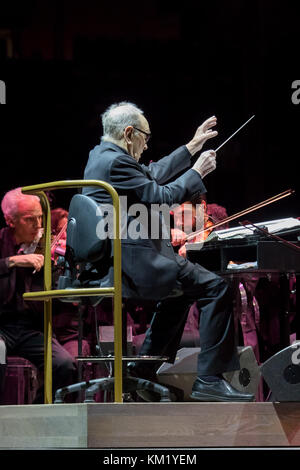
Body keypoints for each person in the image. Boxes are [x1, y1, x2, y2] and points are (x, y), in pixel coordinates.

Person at [82, 101, 254, 402]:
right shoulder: (116, 162)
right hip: (134, 262)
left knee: (182, 292)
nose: (147, 146)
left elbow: (151, 173)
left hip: (118, 260)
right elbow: (159, 195)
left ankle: (140, 377)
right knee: (217, 287)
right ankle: (209, 380)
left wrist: (191, 146)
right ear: (129, 133)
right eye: (146, 138)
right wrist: (197, 171)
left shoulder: (101, 156)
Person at [0, 188, 77, 404]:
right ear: (10, 220)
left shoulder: (48, 247)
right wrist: (12, 261)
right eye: (29, 219)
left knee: (64, 364)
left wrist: (62, 267)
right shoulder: (1, 242)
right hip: (2, 327)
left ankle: (39, 412)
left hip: (32, 329)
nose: (38, 225)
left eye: (41, 217)